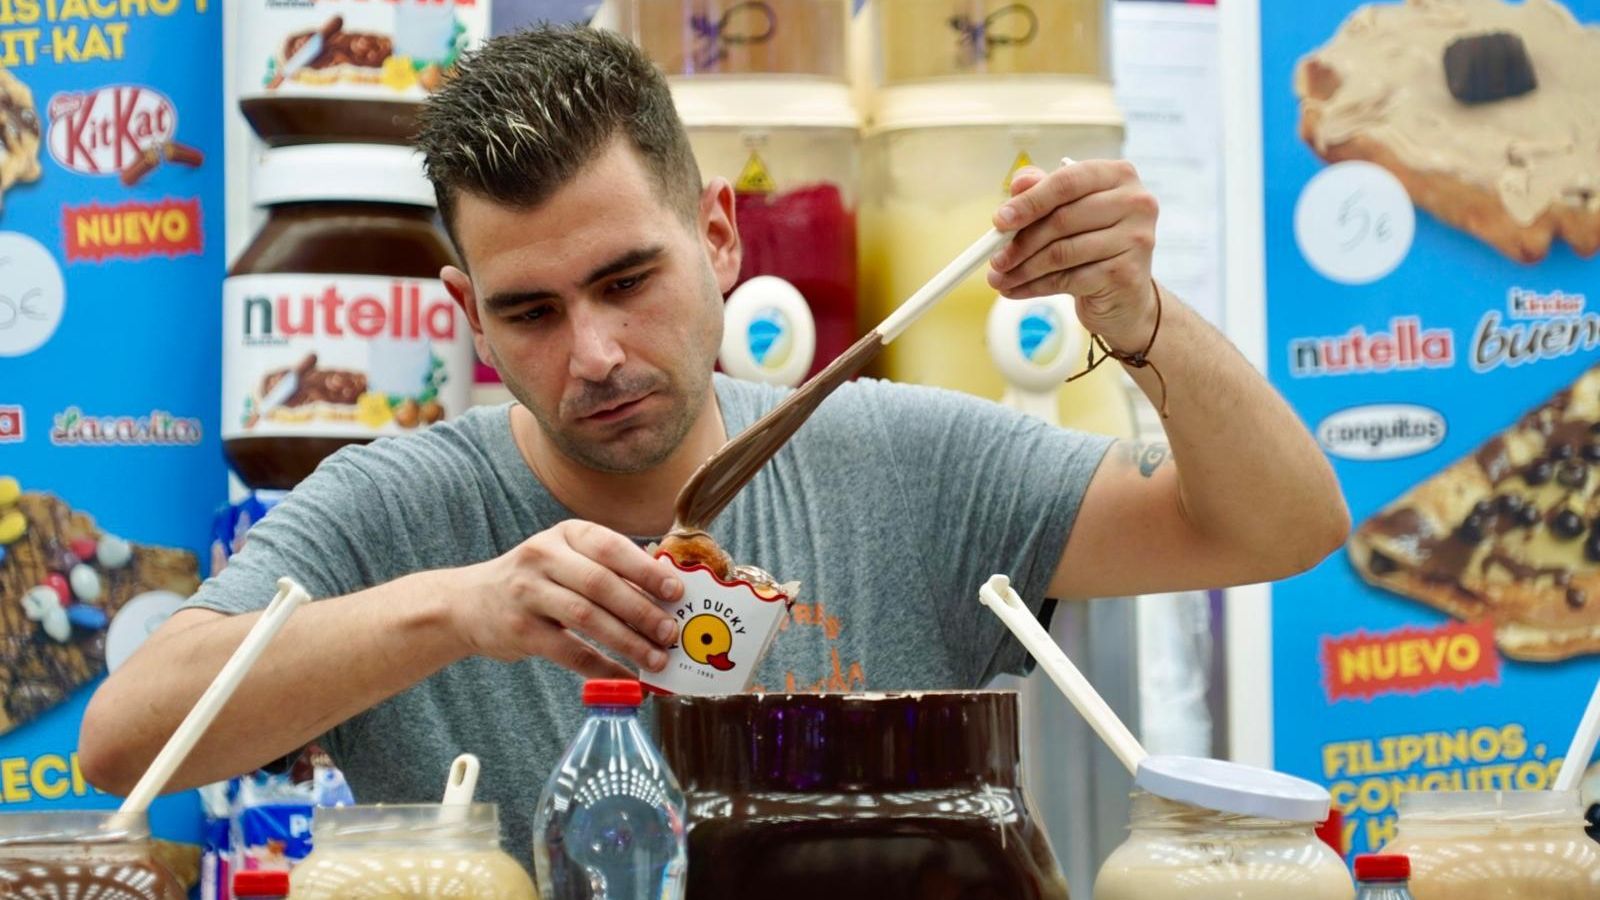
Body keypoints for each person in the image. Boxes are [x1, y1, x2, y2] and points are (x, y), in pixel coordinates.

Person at [79, 26, 1348, 869]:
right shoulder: (400, 507)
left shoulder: (896, 459)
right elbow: (125, 742)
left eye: (630, 278)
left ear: (722, 240)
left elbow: (1280, 525)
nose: (596, 354)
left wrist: (1140, 319)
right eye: (530, 310)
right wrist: (458, 611)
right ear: (467, 317)